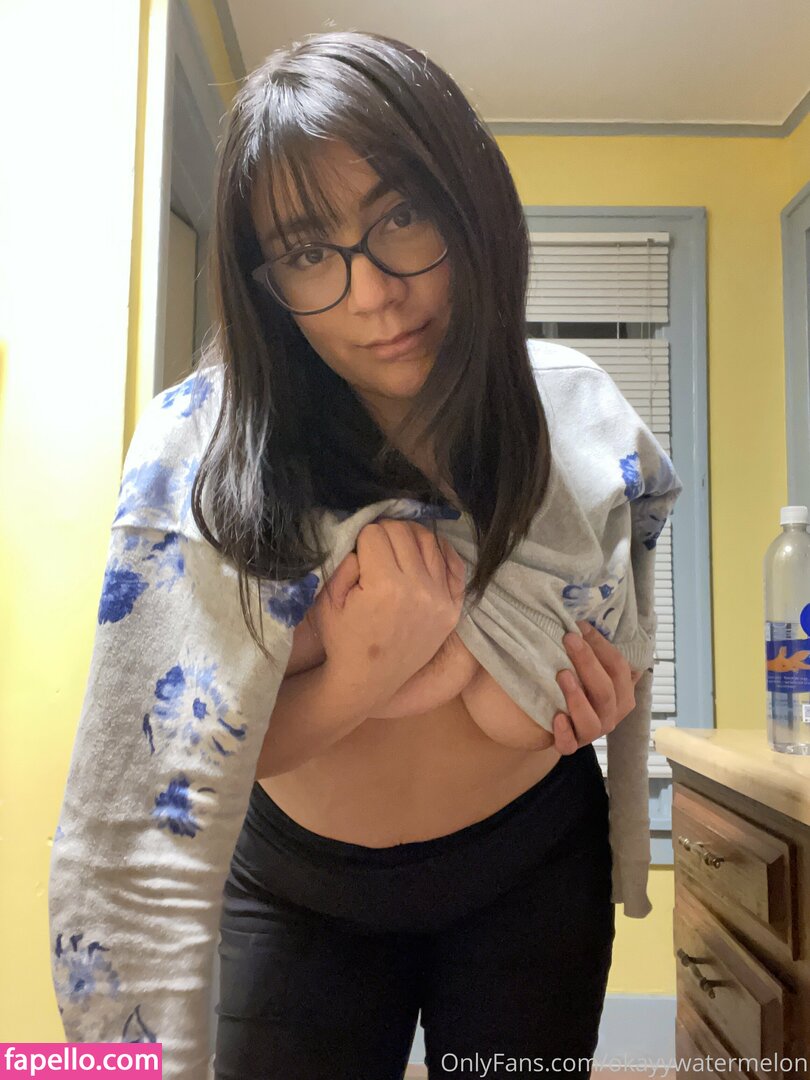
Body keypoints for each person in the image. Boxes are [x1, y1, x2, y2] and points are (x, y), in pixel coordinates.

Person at [48, 27, 681, 1080]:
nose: (374, 291)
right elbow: (165, 772)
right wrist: (362, 673)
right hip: (297, 894)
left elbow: (616, 611)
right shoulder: (199, 453)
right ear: (263, 281)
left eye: (401, 215)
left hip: (534, 869)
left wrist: (597, 688)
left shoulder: (574, 413)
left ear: (468, 202)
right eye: (308, 252)